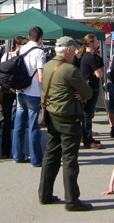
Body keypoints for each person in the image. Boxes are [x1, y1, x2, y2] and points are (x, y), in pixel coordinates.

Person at [38, 36, 93, 211]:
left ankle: (45, 194)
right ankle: (72, 200)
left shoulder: (48, 65)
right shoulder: (70, 69)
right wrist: (79, 92)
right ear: (68, 50)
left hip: (52, 115)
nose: (76, 52)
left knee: (51, 157)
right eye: (74, 49)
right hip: (68, 118)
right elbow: (88, 93)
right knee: (70, 160)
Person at [12, 26, 46, 167]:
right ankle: (36, 159)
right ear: (41, 38)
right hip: (34, 93)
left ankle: (17, 155)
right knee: (33, 128)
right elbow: (41, 76)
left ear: (29, 36)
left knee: (19, 126)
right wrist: (45, 92)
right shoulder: (39, 52)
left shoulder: (21, 49)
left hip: (21, 91)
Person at [0, 35, 27, 159]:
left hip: (9, 89)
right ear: (17, 45)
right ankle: (8, 150)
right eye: (23, 44)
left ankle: (7, 151)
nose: (25, 46)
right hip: (10, 90)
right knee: (10, 121)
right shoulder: (19, 58)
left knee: (11, 121)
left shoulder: (6, 56)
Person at [78, 34, 104, 149]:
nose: (97, 43)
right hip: (90, 87)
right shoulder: (90, 57)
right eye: (95, 41)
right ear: (90, 43)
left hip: (88, 87)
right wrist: (97, 71)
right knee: (88, 114)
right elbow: (99, 74)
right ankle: (87, 139)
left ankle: (85, 135)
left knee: (87, 113)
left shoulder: (86, 56)